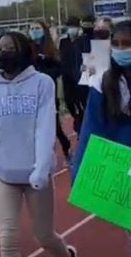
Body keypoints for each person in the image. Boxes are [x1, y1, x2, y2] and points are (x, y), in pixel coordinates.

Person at [0, 31, 77, 257]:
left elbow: (45, 128)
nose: (4, 52)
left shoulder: (42, 83)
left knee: (44, 236)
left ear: (23, 51)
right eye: (0, 48)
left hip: (35, 175)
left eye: (10, 48)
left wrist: (41, 169)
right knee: (8, 239)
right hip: (4, 174)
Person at [72, 20, 131, 254]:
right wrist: (80, 173)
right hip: (124, 163)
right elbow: (91, 129)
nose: (120, 49)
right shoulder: (102, 80)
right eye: (116, 43)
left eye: (126, 44)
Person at [29, 20, 72, 165]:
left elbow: (58, 67)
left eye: (37, 28)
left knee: (54, 126)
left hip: (48, 92)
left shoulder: (50, 48)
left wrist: (46, 74)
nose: (34, 31)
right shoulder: (27, 49)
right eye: (32, 28)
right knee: (33, 127)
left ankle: (66, 149)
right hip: (30, 93)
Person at [59, 16, 87, 136]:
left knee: (82, 101)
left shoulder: (81, 41)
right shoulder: (63, 42)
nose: (72, 29)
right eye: (70, 26)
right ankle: (77, 118)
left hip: (80, 76)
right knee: (69, 101)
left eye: (74, 26)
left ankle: (81, 123)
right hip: (67, 76)